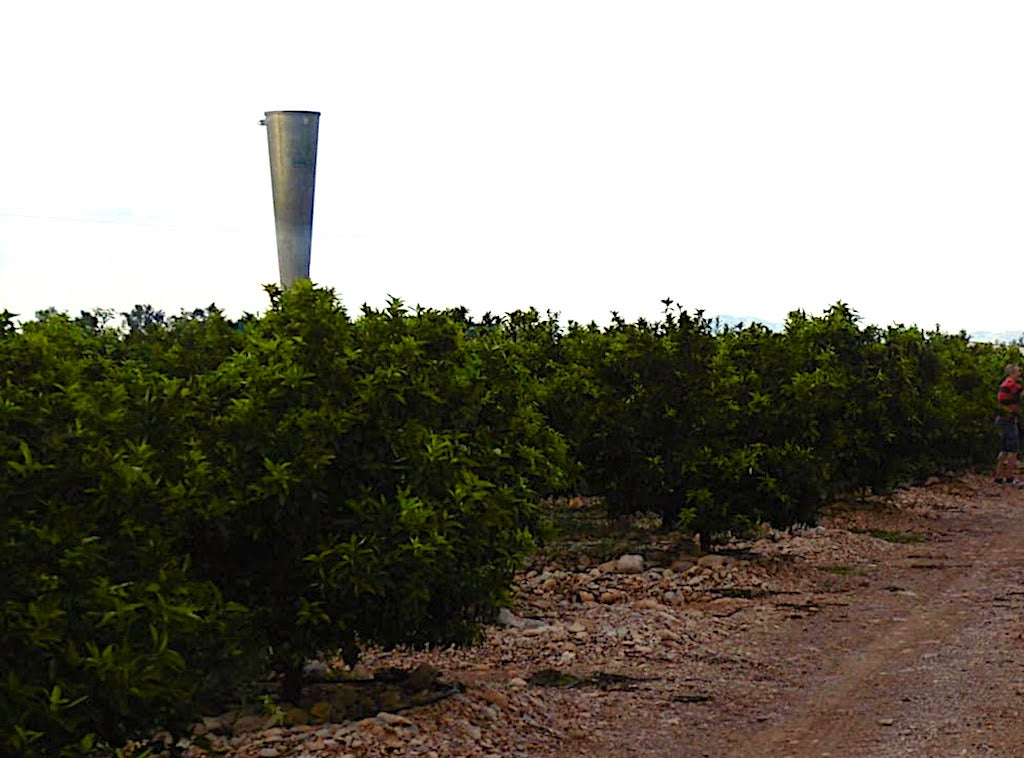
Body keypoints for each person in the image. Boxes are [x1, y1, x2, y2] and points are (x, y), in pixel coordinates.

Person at [994, 363, 1023, 484]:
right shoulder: (1011, 385)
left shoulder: (1005, 385)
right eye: (1018, 372)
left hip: (1003, 419)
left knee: (1004, 449)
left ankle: (999, 476)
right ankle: (1010, 477)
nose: (1019, 374)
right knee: (1013, 449)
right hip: (1008, 419)